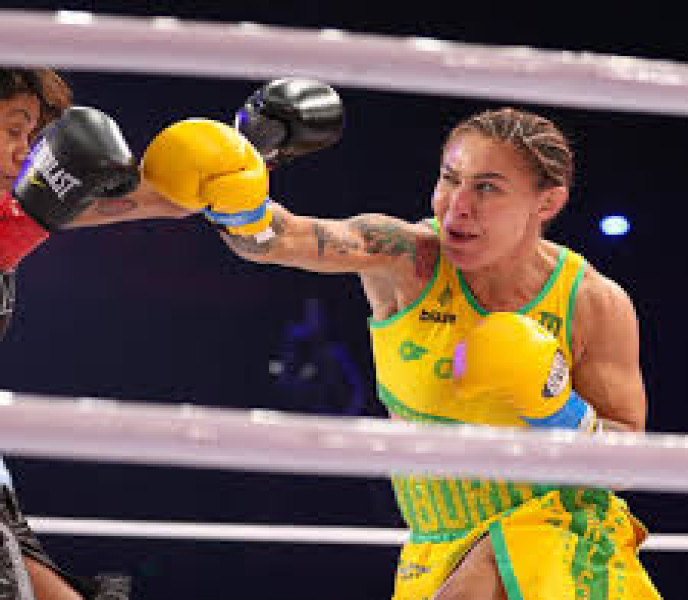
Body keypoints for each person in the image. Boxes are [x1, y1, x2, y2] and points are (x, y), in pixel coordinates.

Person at [142, 80, 662, 599]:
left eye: (487, 188)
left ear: (547, 203)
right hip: (435, 543)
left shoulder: (592, 302)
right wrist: (239, 205)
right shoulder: (406, 259)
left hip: (560, 532)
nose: (457, 206)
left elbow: (625, 462)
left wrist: (556, 408)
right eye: (450, 178)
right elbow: (283, 239)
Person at [0, 67, 189, 600]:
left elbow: (165, 199)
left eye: (32, 135)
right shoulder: (21, 219)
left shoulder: (19, 211)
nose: (25, 150)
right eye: (13, 130)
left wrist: (248, 151)